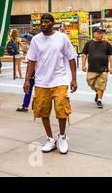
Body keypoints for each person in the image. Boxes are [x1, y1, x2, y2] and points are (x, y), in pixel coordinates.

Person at [24, 13, 78, 155]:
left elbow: (71, 58)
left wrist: (74, 79)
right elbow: (31, 60)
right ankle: (50, 139)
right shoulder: (36, 40)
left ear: (52, 23)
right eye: (42, 22)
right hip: (42, 81)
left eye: (46, 22)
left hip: (59, 79)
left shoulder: (62, 38)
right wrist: (27, 80)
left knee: (61, 108)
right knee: (42, 111)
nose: (43, 24)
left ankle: (62, 137)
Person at [82, 26, 112, 109]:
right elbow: (84, 54)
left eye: (102, 33)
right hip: (92, 68)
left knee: (101, 85)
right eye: (99, 33)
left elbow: (111, 56)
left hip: (104, 69)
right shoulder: (89, 43)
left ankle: (99, 100)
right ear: (94, 33)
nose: (101, 34)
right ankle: (97, 92)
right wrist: (83, 65)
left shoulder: (107, 44)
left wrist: (111, 67)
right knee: (89, 82)